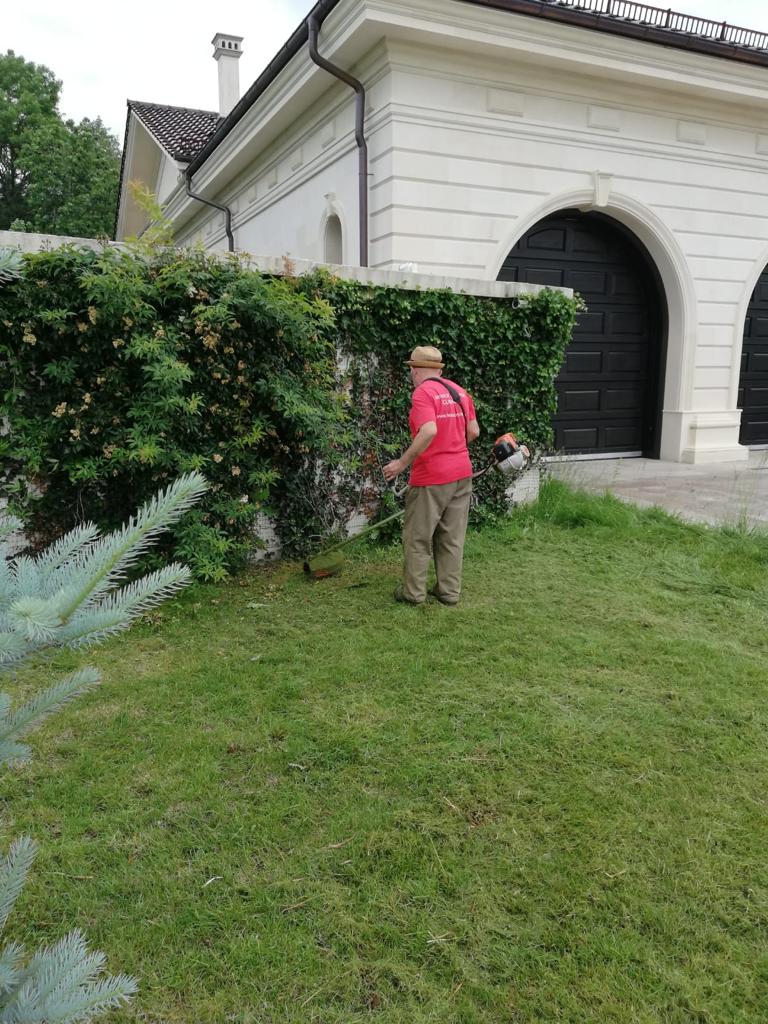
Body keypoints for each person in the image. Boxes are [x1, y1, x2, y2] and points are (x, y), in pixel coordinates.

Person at [383, 344, 480, 606]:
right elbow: (474, 431)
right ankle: (449, 592)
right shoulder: (459, 392)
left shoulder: (423, 393)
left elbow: (428, 430)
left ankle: (413, 593)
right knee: (451, 537)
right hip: (462, 473)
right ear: (438, 369)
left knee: (418, 537)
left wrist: (401, 464)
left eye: (411, 369)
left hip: (431, 477)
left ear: (415, 370)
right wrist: (453, 450)